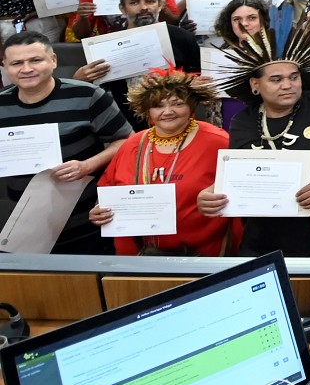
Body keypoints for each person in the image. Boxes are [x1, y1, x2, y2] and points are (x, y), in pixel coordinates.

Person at [0, 31, 131, 254]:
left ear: (53, 60)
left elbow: (126, 140)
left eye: (35, 60)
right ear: (4, 66)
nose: (26, 69)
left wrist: (87, 165)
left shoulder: (88, 95)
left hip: (88, 220)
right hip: (26, 224)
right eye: (16, 63)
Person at [89, 69, 241, 256]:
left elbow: (242, 190)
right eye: (158, 106)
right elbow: (107, 189)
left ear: (191, 106)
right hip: (139, 258)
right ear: (147, 111)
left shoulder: (218, 141)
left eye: (177, 104)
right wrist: (98, 210)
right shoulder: (132, 145)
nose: (168, 112)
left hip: (203, 257)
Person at [72, 0, 202, 127]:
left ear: (160, 5)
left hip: (178, 124)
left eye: (150, 1)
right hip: (129, 128)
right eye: (134, 2)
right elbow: (98, 92)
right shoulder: (107, 45)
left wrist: (178, 80)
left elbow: (200, 79)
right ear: (122, 8)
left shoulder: (182, 38)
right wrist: (79, 80)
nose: (144, 7)